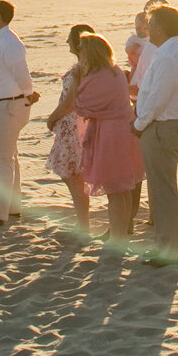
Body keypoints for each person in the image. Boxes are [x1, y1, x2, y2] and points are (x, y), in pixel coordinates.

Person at [132, 5, 178, 267]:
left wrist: (138, 124)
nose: (147, 29)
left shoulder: (170, 56)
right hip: (161, 125)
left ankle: (169, 251)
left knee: (163, 190)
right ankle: (164, 247)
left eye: (151, 24)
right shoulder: (168, 52)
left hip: (162, 127)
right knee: (160, 190)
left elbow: (158, 100)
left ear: (160, 28)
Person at [74, 34, 145, 242]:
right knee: (122, 190)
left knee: (115, 189)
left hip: (110, 134)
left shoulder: (100, 77)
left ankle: (117, 236)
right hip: (123, 131)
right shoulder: (115, 72)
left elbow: (81, 105)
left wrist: (77, 81)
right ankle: (120, 233)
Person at [0, 0, 38, 232]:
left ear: (0, 17)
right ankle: (12, 207)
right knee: (10, 157)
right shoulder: (1, 40)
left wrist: (28, 94)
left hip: (7, 106)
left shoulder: (9, 42)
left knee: (2, 161)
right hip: (2, 104)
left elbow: (22, 74)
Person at [40, 24, 95, 233]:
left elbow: (70, 101)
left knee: (73, 176)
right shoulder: (87, 65)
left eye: (69, 39)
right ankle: (82, 222)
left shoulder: (80, 68)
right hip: (73, 125)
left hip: (72, 125)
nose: (66, 42)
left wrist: (51, 118)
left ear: (78, 43)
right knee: (72, 175)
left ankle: (83, 225)